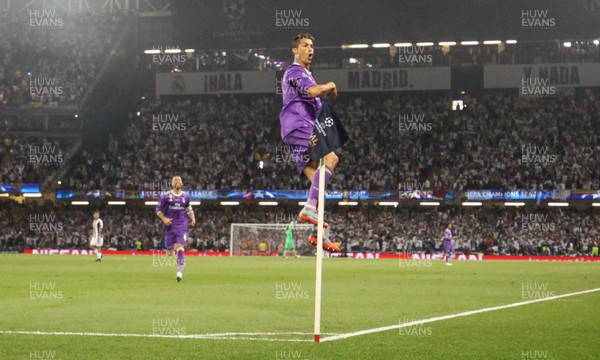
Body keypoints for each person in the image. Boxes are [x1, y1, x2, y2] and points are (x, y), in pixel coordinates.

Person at [279, 32, 340, 252]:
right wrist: (330, 85)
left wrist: (329, 95)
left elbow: (318, 99)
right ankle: (309, 209)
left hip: (299, 128)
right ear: (295, 50)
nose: (310, 49)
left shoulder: (307, 74)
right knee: (331, 158)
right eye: (305, 45)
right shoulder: (294, 71)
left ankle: (319, 232)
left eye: (312, 45)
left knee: (317, 179)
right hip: (298, 125)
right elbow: (312, 91)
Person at [156, 176, 195, 282]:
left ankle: (179, 272)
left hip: (182, 225)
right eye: (175, 180)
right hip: (169, 226)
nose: (177, 181)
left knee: (180, 247)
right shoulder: (166, 196)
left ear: (182, 183)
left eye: (179, 180)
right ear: (172, 184)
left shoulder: (186, 196)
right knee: (169, 249)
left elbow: (189, 208)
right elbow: (158, 209)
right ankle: (170, 250)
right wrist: (164, 218)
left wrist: (193, 218)